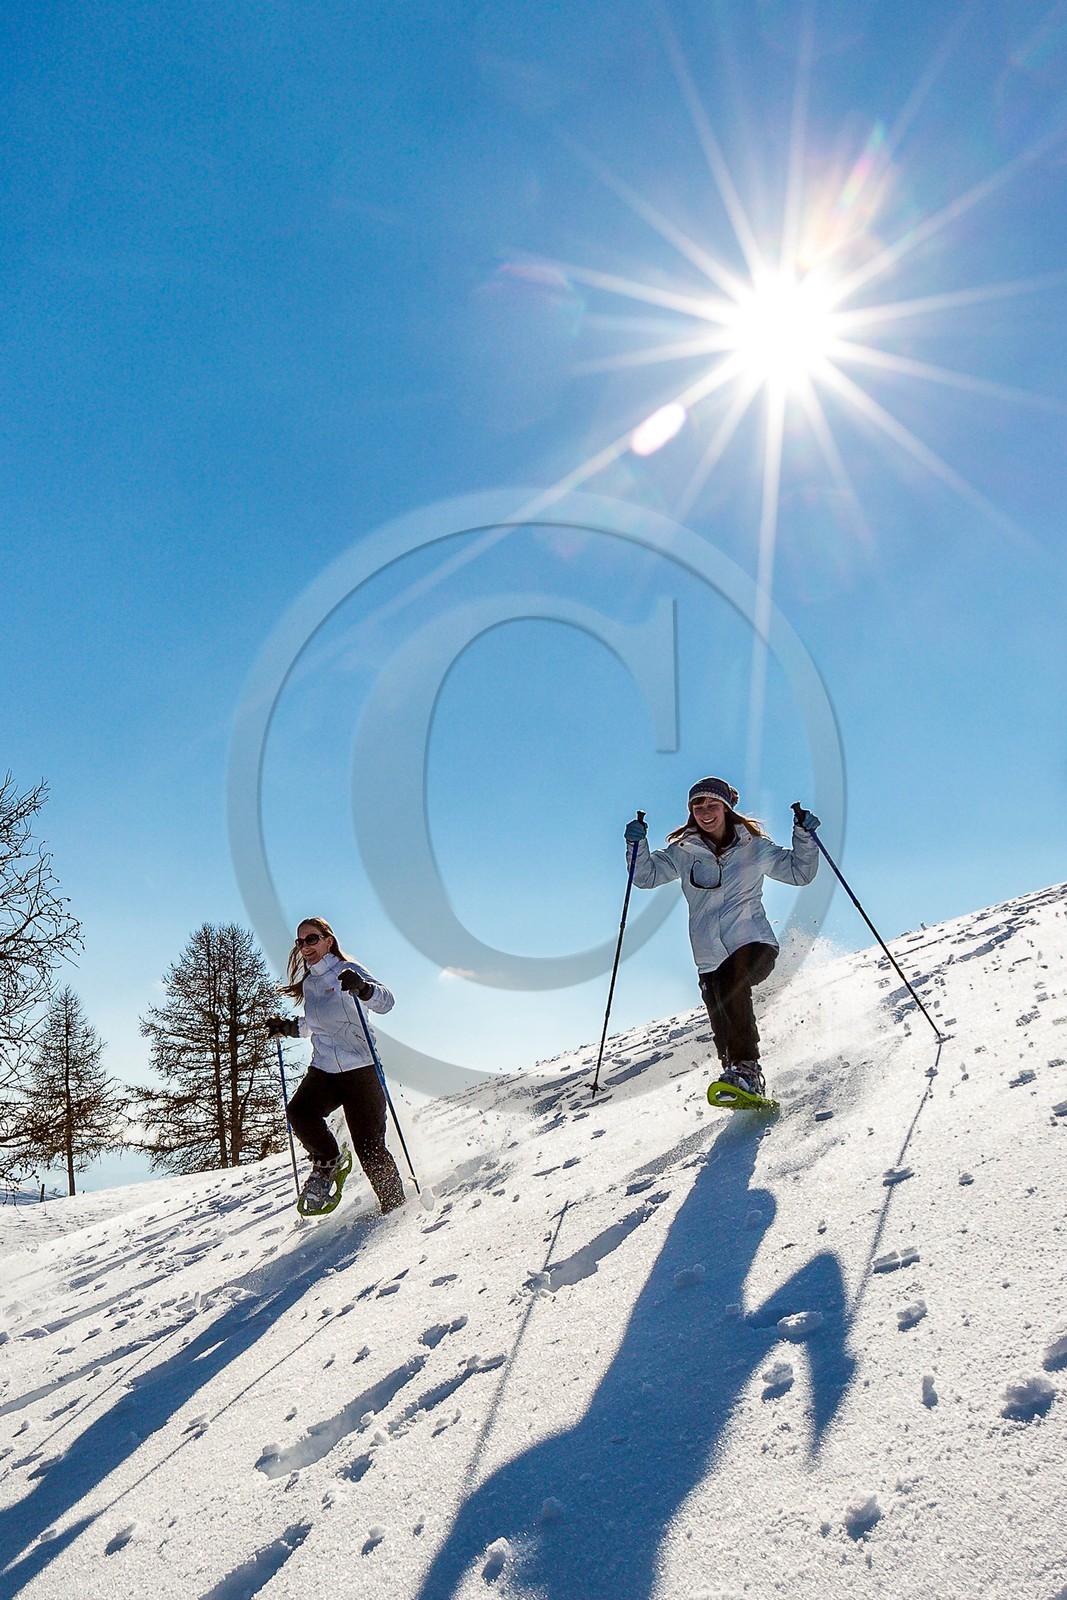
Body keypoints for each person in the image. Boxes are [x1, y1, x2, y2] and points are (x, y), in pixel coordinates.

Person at [624, 778, 820, 1098]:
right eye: (697, 806)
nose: (705, 812)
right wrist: (636, 846)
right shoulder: (684, 851)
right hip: (708, 956)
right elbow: (644, 877)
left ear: (727, 809)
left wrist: (805, 836)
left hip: (754, 942)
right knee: (721, 1024)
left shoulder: (754, 847)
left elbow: (800, 873)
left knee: (733, 979)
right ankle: (737, 1080)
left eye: (712, 805)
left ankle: (747, 1068)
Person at [266, 917, 406, 1214]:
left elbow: (386, 1002)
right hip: (326, 1070)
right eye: (300, 941)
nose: (305, 946)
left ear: (328, 941)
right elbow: (315, 1024)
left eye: (312, 939)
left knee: (369, 1149)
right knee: (300, 1112)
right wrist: (289, 1028)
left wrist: (364, 989)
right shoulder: (311, 984)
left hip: (361, 1070)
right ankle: (329, 1159)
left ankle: (396, 1211)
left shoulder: (348, 971)